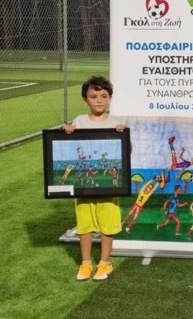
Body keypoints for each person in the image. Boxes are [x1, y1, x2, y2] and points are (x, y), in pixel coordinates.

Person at [64, 75, 127, 281]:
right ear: (86, 100)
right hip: (83, 187)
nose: (99, 100)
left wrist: (123, 135)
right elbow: (68, 147)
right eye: (93, 96)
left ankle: (105, 262)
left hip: (109, 188)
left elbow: (126, 152)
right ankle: (85, 263)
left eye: (103, 96)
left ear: (110, 98)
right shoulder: (79, 121)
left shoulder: (117, 123)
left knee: (107, 222)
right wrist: (68, 132)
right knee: (85, 223)